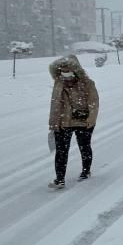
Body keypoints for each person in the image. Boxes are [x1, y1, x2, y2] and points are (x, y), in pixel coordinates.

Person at [47, 54, 100, 189]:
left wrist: (91, 120)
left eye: (68, 69)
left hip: (83, 121)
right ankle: (60, 179)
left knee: (84, 146)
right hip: (64, 122)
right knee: (61, 151)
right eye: (62, 70)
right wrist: (53, 123)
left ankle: (86, 171)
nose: (65, 73)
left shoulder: (87, 83)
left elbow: (93, 102)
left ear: (75, 69)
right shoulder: (58, 83)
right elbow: (55, 104)